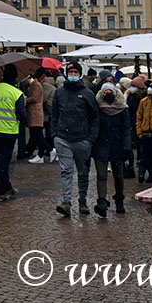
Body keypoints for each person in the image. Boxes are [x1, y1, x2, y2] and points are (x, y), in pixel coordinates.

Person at [51, 61, 99, 217]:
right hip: (63, 138)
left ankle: (82, 201)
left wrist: (91, 139)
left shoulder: (87, 94)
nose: (72, 75)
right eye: (70, 72)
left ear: (79, 74)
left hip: (82, 139)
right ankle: (66, 201)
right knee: (66, 171)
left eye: (75, 72)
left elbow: (95, 117)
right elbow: (54, 114)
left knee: (83, 172)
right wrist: (55, 134)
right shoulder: (59, 93)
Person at [0, 64, 28, 203]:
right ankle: (0, 191)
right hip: (8, 132)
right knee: (3, 162)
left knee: (1, 160)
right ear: (15, 77)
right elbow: (22, 115)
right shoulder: (16, 93)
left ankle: (7, 187)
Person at [92, 82, 130, 217]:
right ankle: (102, 201)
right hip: (101, 144)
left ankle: (119, 199)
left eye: (110, 92)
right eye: (105, 92)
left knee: (118, 176)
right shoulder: (97, 107)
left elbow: (126, 129)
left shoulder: (122, 108)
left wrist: (127, 146)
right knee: (101, 175)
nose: (108, 95)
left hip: (117, 145)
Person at [24, 69, 49, 164]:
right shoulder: (34, 85)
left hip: (36, 113)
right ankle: (42, 153)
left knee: (38, 134)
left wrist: (25, 99)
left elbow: (35, 98)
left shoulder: (36, 85)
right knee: (36, 134)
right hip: (34, 113)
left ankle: (48, 151)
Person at [41, 69, 57, 161]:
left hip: (49, 109)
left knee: (48, 130)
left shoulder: (45, 85)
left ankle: (50, 149)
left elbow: (43, 99)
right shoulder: (49, 83)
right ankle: (49, 148)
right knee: (48, 130)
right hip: (50, 109)